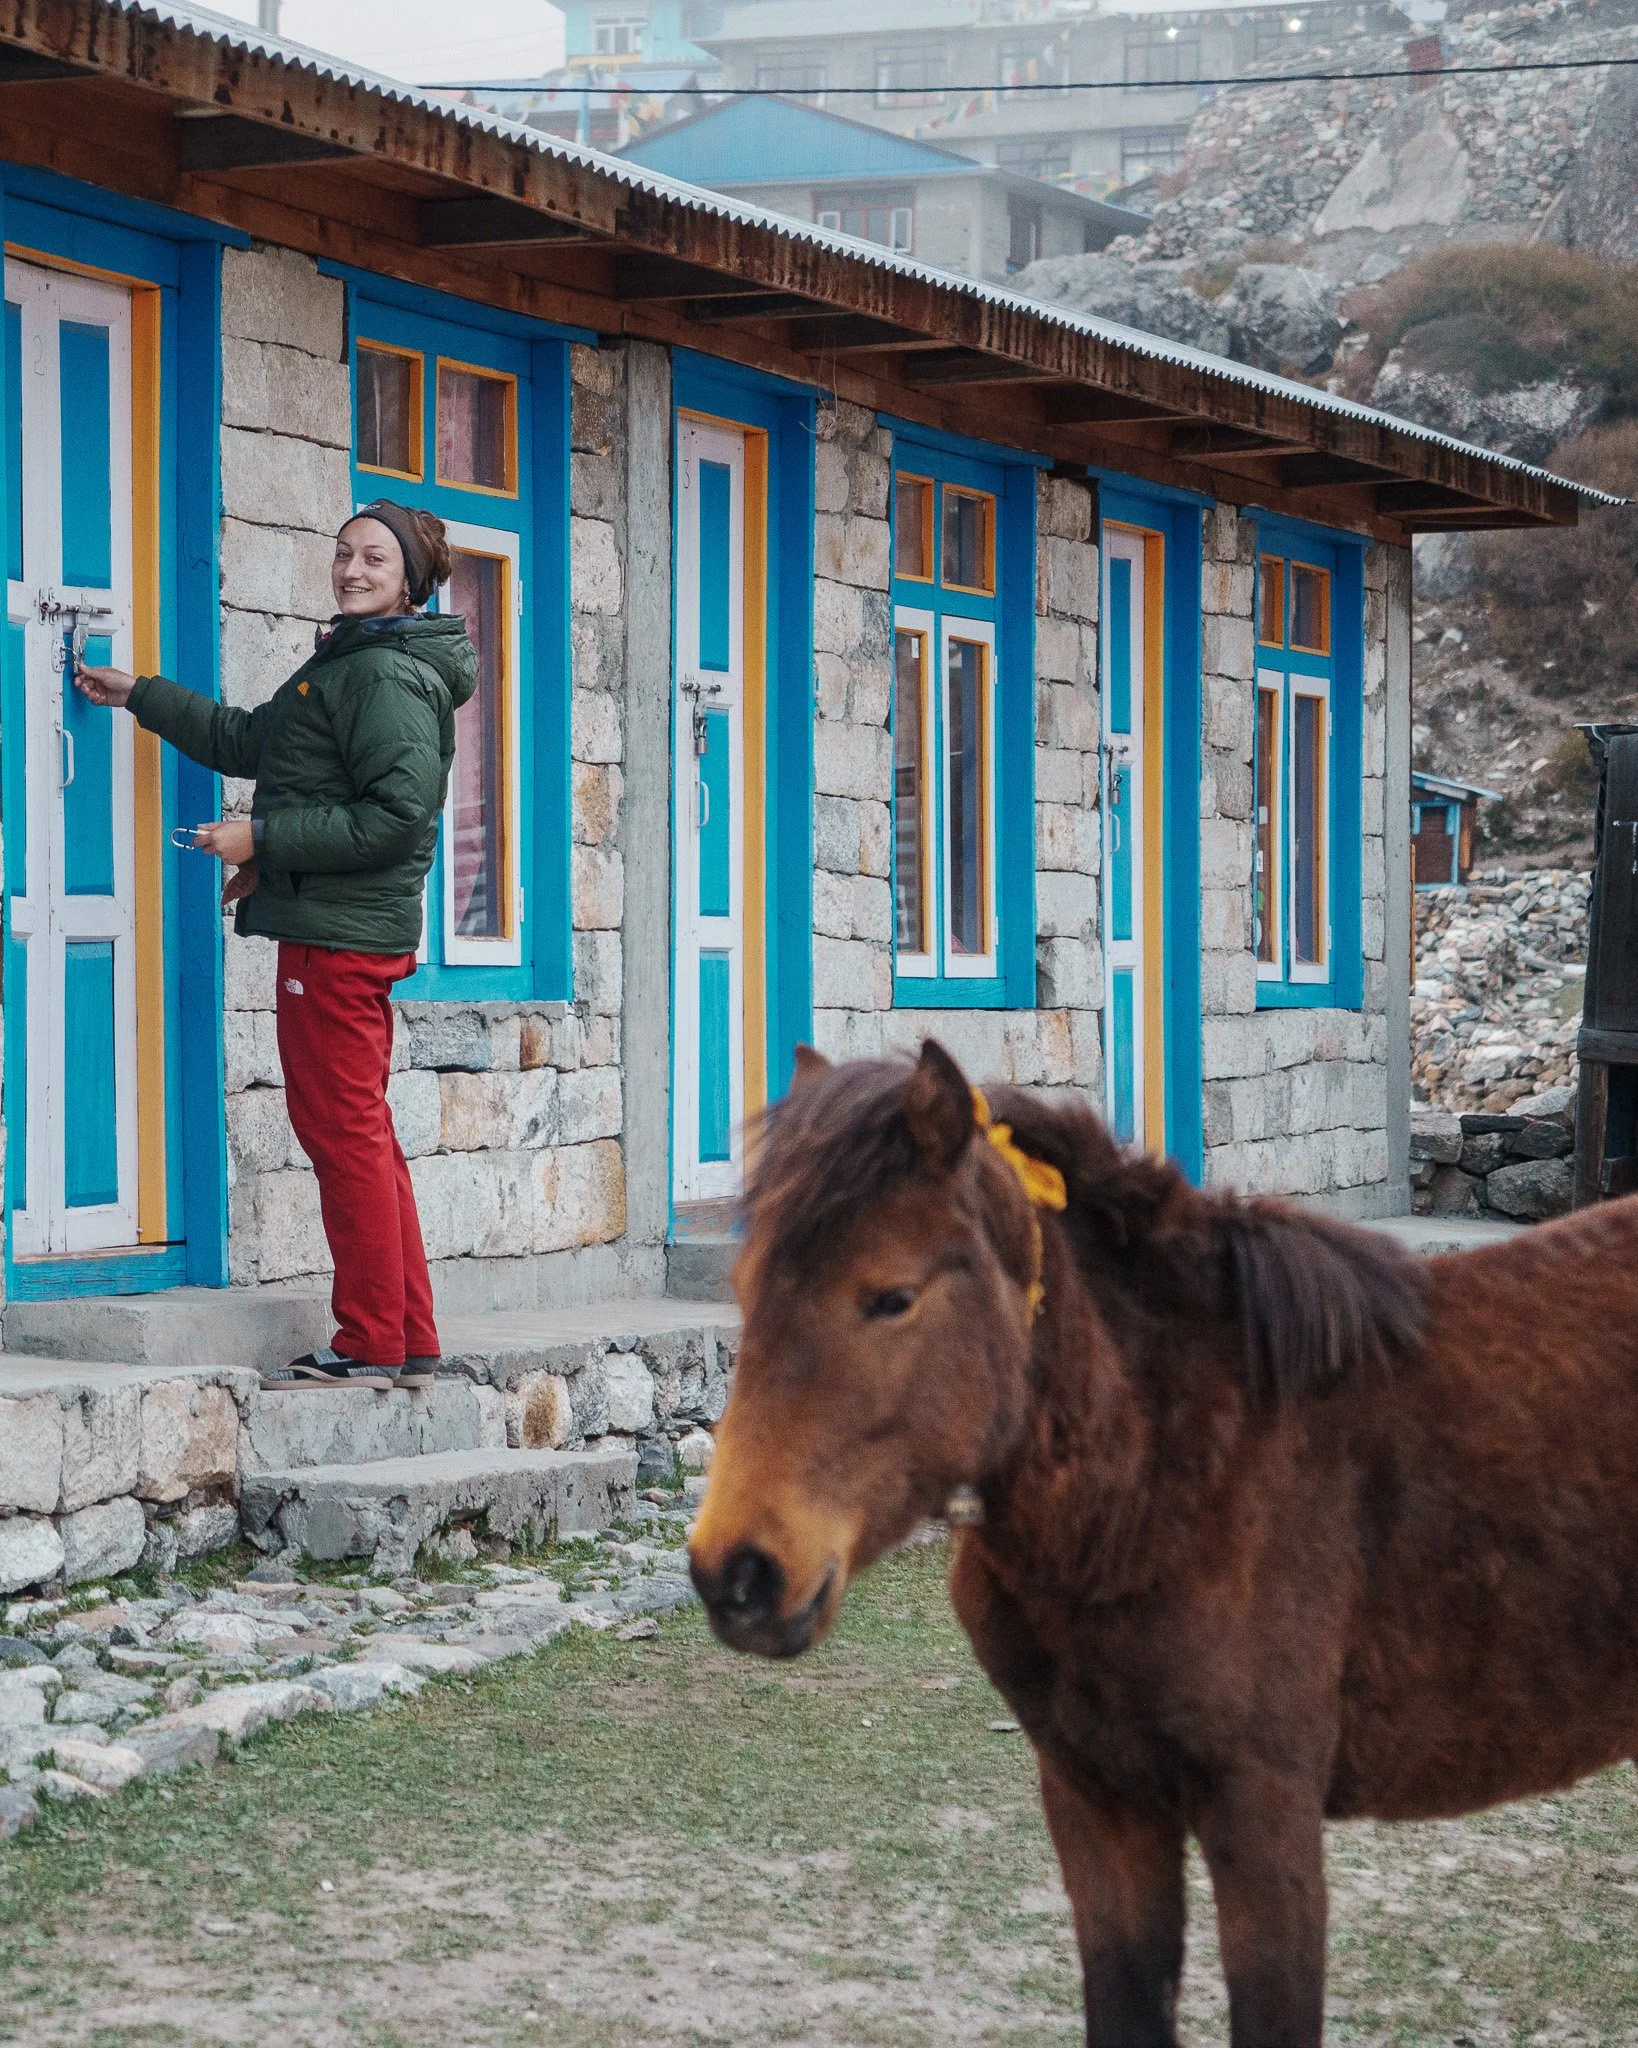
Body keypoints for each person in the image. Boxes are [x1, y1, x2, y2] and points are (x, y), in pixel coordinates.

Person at [76, 501, 477, 1393]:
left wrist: (262, 839)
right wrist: (139, 693)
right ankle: (407, 1337)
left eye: (374, 557)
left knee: (344, 1137)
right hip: (334, 932)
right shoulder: (354, 659)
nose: (352, 569)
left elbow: (396, 818)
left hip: (337, 941)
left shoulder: (383, 676)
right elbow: (250, 741)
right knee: (362, 1135)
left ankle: (371, 1341)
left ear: (410, 577)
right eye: (342, 554)